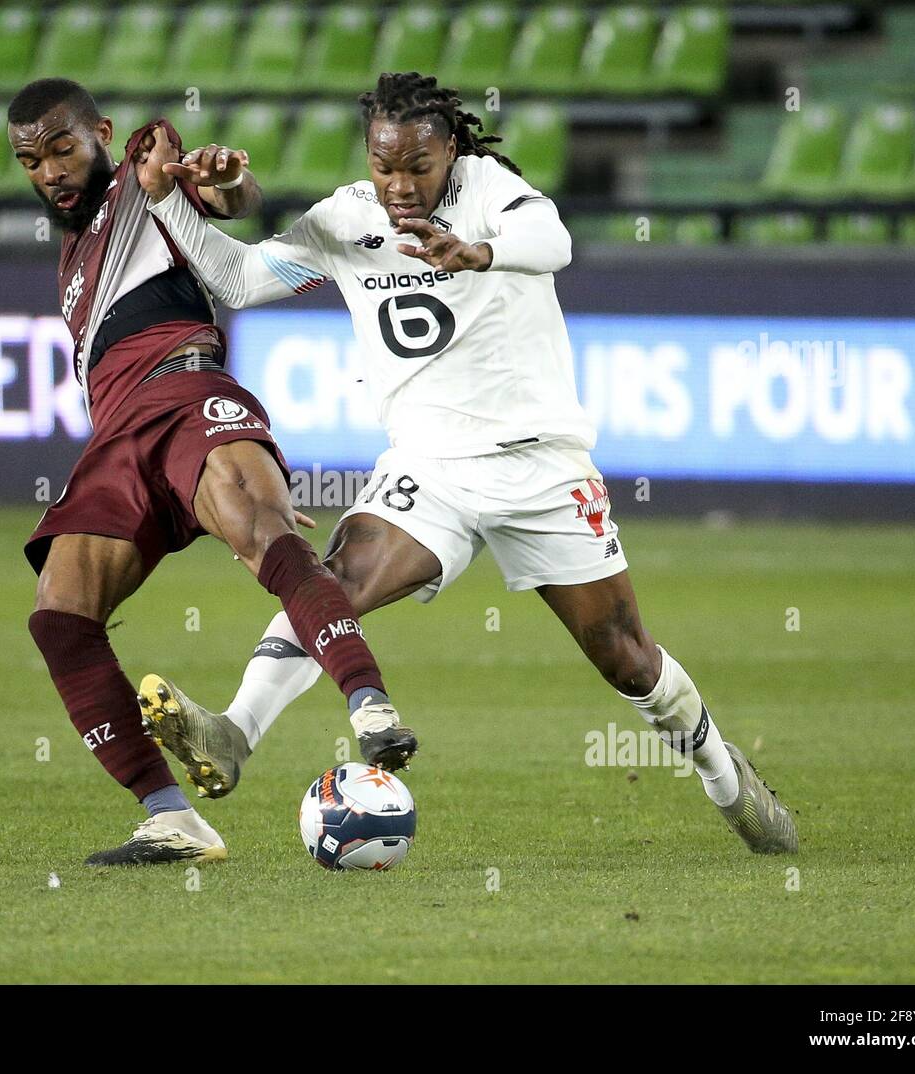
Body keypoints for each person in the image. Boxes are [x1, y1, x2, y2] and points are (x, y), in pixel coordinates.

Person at [133, 72, 797, 854]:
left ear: (450, 148)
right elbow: (239, 278)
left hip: (541, 465)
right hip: (431, 467)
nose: (400, 184)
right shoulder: (346, 218)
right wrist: (167, 202)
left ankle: (731, 783)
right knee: (334, 580)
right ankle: (234, 733)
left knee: (626, 658)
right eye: (385, 165)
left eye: (418, 165)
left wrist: (479, 252)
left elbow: (557, 242)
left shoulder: (493, 191)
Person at [7, 77, 413, 866]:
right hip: (117, 439)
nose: (51, 171)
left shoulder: (138, 177)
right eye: (31, 160)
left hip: (185, 390)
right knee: (59, 617)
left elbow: (226, 192)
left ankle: (368, 706)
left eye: (63, 148)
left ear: (100, 133)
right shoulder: (74, 255)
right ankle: (172, 818)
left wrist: (221, 178)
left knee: (264, 537)